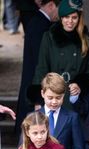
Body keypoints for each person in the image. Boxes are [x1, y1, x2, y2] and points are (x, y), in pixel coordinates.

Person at [29, 0, 89, 112]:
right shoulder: (49, 37)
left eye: (74, 17)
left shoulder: (88, 39)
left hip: (76, 98)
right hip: (53, 97)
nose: (70, 21)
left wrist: (80, 84)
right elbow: (41, 68)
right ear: (61, 18)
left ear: (79, 18)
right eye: (66, 17)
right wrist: (38, 101)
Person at [15, 0, 60, 135]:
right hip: (35, 81)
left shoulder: (37, 23)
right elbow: (40, 61)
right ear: (51, 5)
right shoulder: (41, 26)